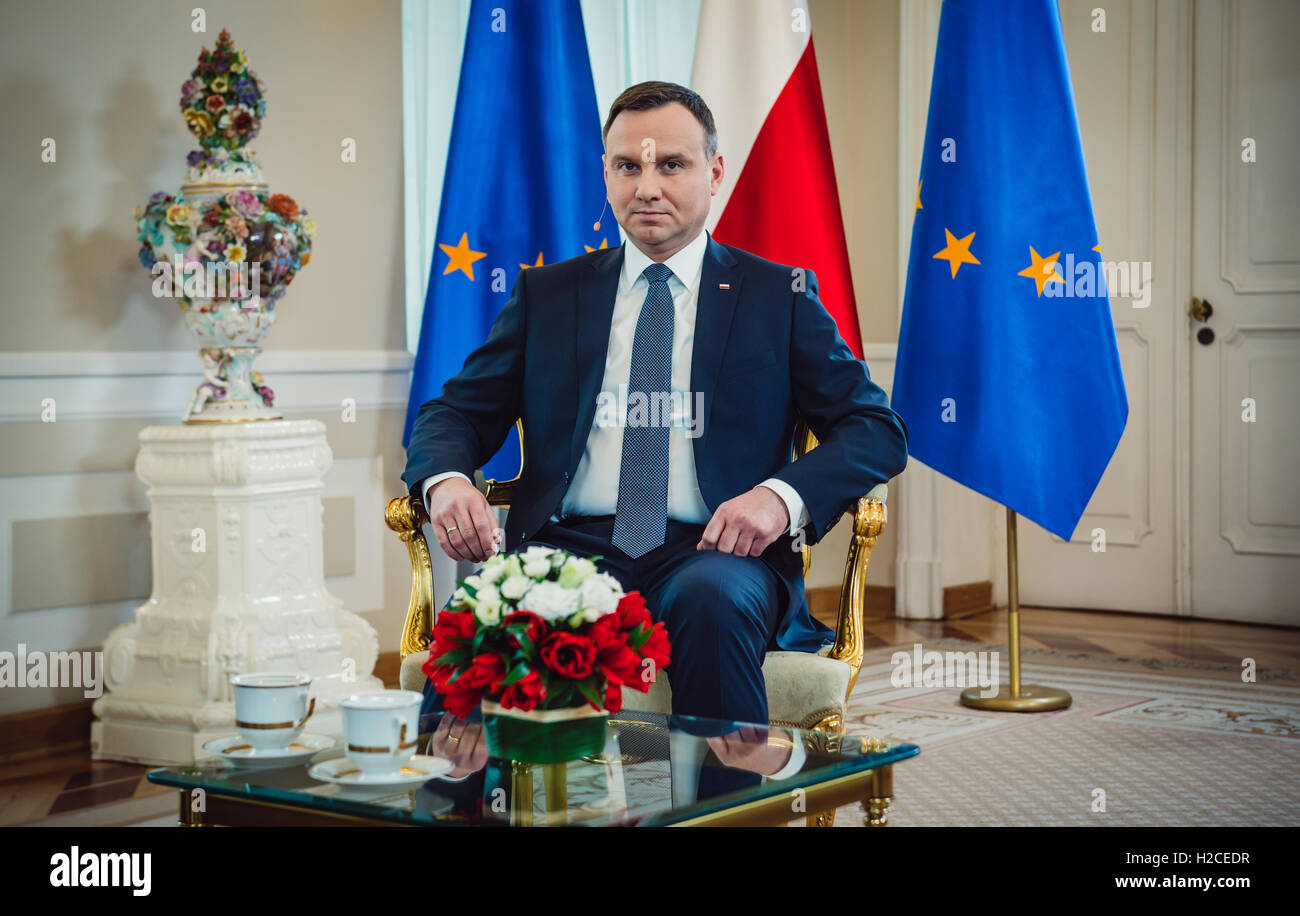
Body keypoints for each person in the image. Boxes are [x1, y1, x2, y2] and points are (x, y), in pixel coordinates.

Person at [403, 81, 907, 741]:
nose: (647, 187)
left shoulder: (775, 296)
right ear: (606, 174)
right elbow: (454, 414)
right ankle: (457, 808)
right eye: (627, 166)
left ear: (714, 172)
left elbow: (875, 430)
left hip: (717, 552)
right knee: (496, 612)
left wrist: (779, 498)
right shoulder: (547, 295)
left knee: (711, 600)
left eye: (671, 164)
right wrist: (446, 483)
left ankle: (723, 813)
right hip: (569, 548)